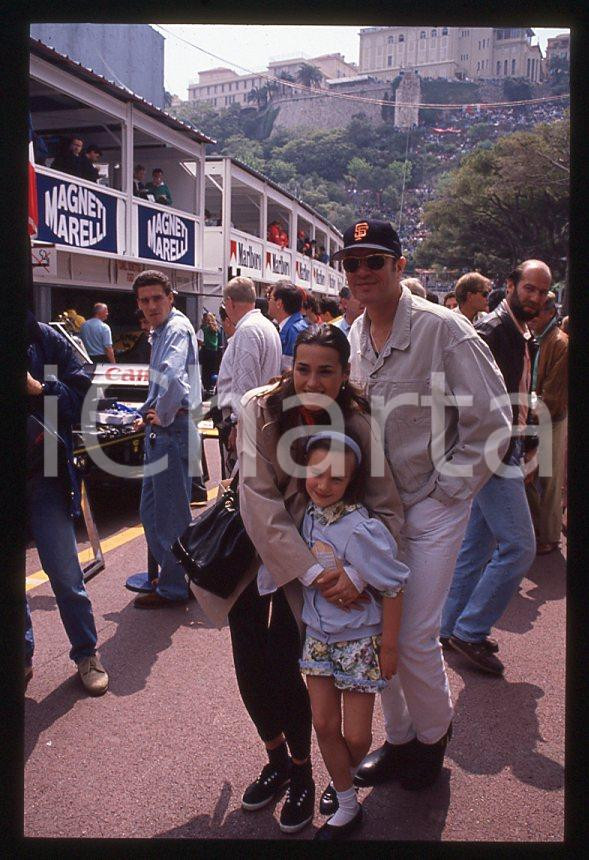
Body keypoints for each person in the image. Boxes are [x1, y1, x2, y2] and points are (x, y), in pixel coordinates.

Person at [191, 324, 404, 835]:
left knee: (294, 668)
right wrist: (312, 571)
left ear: (344, 373)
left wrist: (357, 572)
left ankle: (307, 771)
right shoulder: (260, 407)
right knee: (249, 663)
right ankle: (277, 760)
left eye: (325, 371)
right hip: (258, 552)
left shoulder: (359, 420)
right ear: (291, 367)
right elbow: (257, 497)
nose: (312, 381)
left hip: (323, 563)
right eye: (302, 368)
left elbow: (387, 508)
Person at [336, 219, 512, 791]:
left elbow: (493, 422)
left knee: (413, 636)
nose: (362, 271)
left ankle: (433, 739)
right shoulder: (355, 334)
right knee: (375, 629)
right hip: (377, 512)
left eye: (374, 261)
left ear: (399, 266)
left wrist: (447, 492)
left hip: (432, 505)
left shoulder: (445, 329)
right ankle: (401, 737)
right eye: (352, 262)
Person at [441, 260, 552, 675]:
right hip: (493, 453)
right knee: (520, 548)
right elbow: (461, 397)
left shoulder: (519, 331)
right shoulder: (491, 331)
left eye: (542, 292)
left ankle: (450, 626)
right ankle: (469, 630)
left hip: (505, 448)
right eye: (529, 289)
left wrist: (523, 442)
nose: (536, 298)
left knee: (477, 547)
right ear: (510, 286)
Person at [298, 432, 408, 841]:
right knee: (323, 724)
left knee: (358, 737)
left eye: (336, 479)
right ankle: (347, 803)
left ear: (351, 482)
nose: (323, 485)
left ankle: (340, 778)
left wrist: (390, 647)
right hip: (318, 637)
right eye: (316, 473)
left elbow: (394, 586)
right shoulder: (306, 517)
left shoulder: (361, 529)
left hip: (360, 642)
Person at [25, 310, 109, 695]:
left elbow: (83, 398)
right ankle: (21, 654)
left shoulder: (43, 338)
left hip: (44, 469)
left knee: (64, 573)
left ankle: (87, 652)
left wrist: (40, 388)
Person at [131, 270, 202, 608]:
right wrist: (147, 412)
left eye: (157, 298)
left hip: (172, 430)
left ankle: (176, 586)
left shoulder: (174, 329)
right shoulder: (160, 331)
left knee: (170, 517)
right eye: (144, 300)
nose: (151, 306)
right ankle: (177, 574)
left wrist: (163, 414)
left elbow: (173, 378)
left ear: (171, 297)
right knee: (151, 512)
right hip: (163, 430)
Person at [215, 276, 282, 474]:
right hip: (260, 415)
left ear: (230, 302)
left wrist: (237, 425)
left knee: (239, 479)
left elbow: (244, 385)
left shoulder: (247, 330)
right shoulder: (266, 325)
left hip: (246, 421)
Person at [526, 291, 568, 555]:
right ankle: (540, 529)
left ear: (550, 312)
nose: (531, 316)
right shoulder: (536, 339)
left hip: (550, 418)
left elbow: (553, 396)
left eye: (537, 311)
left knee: (550, 480)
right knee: (528, 476)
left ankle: (550, 536)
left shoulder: (561, 344)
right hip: (535, 414)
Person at [267, 280, 309, 371]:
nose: (268, 302)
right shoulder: (292, 328)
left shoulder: (295, 332)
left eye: (269, 298)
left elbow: (289, 371)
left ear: (279, 303)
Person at [199, 312, 222, 393]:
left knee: (205, 372)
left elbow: (200, 341)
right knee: (213, 371)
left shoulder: (203, 329)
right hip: (215, 353)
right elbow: (220, 342)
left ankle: (207, 388)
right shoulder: (216, 329)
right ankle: (213, 386)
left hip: (206, 352)